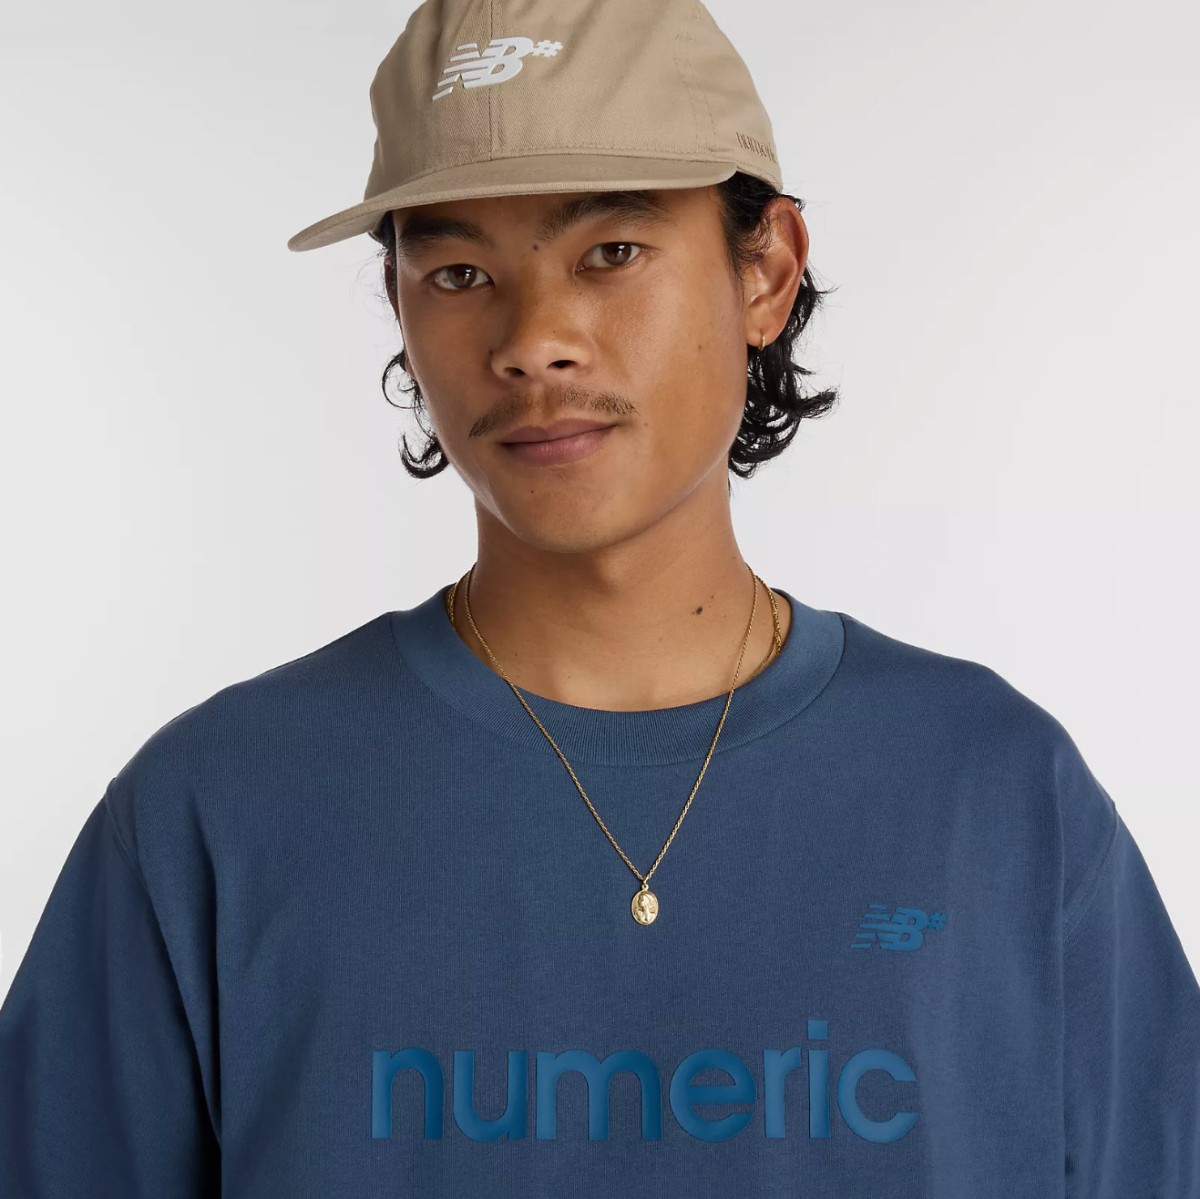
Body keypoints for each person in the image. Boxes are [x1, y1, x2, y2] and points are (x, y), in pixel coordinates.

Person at [2, 0, 1198, 1193]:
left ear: (768, 270)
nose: (535, 340)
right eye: (459, 271)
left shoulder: (993, 791)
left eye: (611, 252)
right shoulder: (216, 811)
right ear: (403, 310)